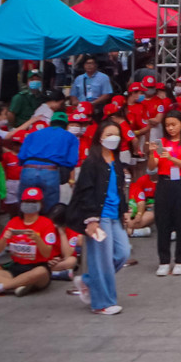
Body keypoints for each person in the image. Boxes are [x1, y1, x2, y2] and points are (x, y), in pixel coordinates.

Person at [66, 120, 131, 315]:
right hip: (98, 217)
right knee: (101, 259)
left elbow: (119, 190)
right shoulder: (91, 162)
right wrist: (91, 219)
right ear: (100, 138)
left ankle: (89, 281)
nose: (113, 138)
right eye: (109, 134)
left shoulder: (116, 160)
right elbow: (85, 191)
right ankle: (102, 302)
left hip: (114, 216)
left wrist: (125, 210)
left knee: (123, 253)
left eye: (116, 135)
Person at [0, 185, 56, 298]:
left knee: (40, 272)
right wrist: (5, 238)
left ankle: (1, 287)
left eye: (33, 201)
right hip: (15, 267)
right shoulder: (14, 222)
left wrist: (37, 239)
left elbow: (47, 253)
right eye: (27, 201)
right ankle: (19, 284)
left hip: (36, 267)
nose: (30, 204)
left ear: (40, 204)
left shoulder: (46, 223)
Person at [149, 110, 181, 275]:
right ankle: (163, 260)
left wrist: (171, 158)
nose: (170, 128)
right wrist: (151, 152)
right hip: (164, 184)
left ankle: (180, 260)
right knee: (163, 223)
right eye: (167, 125)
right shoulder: (160, 142)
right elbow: (151, 166)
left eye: (173, 125)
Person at [16, 110, 80, 214]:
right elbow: (71, 161)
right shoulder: (71, 137)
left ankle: (22, 226)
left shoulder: (33, 134)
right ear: (66, 125)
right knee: (50, 210)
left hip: (29, 170)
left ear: (50, 123)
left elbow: (21, 156)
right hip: (50, 172)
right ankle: (46, 229)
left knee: (24, 207)